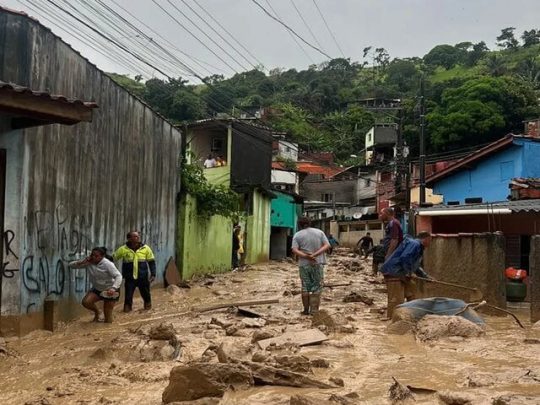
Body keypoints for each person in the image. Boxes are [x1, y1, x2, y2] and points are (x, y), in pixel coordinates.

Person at [380, 231, 433, 318]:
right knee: (396, 299)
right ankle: (392, 319)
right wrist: (409, 272)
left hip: (401, 273)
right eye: (430, 240)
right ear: (426, 239)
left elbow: (415, 266)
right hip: (394, 272)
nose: (430, 243)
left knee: (412, 293)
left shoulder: (418, 247)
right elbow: (405, 257)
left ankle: (411, 315)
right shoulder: (414, 244)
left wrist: (426, 276)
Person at [69, 247, 122, 323]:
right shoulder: (88, 262)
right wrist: (81, 262)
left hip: (110, 290)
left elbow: (118, 276)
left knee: (108, 320)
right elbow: (71, 265)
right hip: (97, 289)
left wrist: (113, 288)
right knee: (86, 302)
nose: (93, 257)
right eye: (92, 255)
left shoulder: (107, 264)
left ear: (102, 256)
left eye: (96, 256)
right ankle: (98, 312)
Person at [291, 217, 331, 315]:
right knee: (317, 287)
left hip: (304, 264)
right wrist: (315, 255)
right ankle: (314, 311)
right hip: (318, 263)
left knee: (305, 286)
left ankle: (305, 310)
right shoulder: (320, 232)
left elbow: (294, 250)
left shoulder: (297, 235)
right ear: (310, 223)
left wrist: (306, 256)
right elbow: (327, 245)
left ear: (299, 224)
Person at [113, 231, 156, 312]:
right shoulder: (123, 249)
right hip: (130, 278)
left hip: (143, 277)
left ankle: (148, 308)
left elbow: (151, 262)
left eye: (137, 236)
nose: (137, 237)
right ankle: (127, 310)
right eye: (135, 236)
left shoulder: (146, 248)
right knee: (128, 296)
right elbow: (113, 258)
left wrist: (153, 274)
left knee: (146, 294)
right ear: (129, 238)